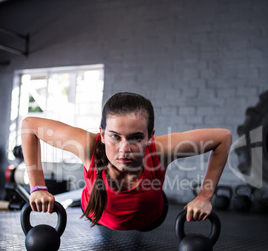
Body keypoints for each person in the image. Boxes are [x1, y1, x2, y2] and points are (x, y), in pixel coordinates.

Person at [21, 92, 232, 231]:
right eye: (115, 136)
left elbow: (223, 137)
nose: (125, 149)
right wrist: (38, 187)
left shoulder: (160, 149)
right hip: (97, 215)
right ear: (102, 134)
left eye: (136, 137)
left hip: (151, 219)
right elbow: (29, 125)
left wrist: (205, 196)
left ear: (150, 136)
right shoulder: (89, 146)